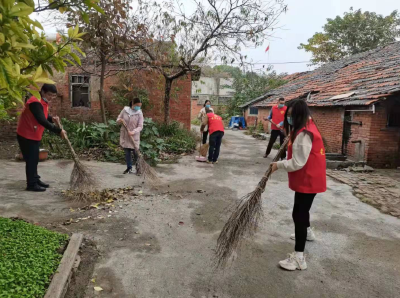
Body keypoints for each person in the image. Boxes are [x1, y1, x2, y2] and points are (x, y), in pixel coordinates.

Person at [271, 99, 326, 271]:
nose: (288, 118)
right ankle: (307, 233)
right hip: (312, 177)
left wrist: (278, 165)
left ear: (298, 115)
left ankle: (299, 258)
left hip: (308, 178)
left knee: (298, 214)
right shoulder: (308, 126)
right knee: (303, 210)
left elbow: (298, 162)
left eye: (290, 115)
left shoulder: (303, 134)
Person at [17, 84, 67, 192]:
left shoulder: (42, 101)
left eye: (53, 95)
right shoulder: (35, 101)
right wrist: (58, 131)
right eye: (49, 94)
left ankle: (35, 180)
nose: (51, 97)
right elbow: (41, 120)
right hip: (26, 135)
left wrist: (51, 118)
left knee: (34, 159)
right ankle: (31, 184)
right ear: (43, 92)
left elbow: (43, 116)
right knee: (31, 160)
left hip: (33, 134)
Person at [117, 98, 144, 174]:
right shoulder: (125, 110)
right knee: (127, 153)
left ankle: (138, 169)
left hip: (134, 136)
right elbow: (118, 119)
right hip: (125, 135)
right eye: (137, 105)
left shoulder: (139, 113)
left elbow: (140, 126)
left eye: (140, 106)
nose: (138, 107)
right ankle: (129, 168)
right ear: (133, 103)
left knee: (136, 153)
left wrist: (133, 132)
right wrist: (120, 120)